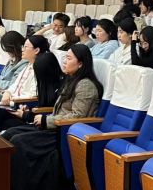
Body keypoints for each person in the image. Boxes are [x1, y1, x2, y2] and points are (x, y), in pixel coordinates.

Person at [6, 44, 103, 190]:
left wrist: (46, 120)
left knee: (18, 142)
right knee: (10, 133)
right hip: (56, 126)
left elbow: (79, 116)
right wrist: (39, 116)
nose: (64, 61)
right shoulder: (72, 80)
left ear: (80, 64)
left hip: (64, 133)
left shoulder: (86, 85)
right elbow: (60, 110)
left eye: (69, 58)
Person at [0, 52, 66, 133]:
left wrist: (26, 114)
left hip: (40, 121)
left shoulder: (61, 86)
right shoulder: (44, 82)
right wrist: (26, 109)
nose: (65, 61)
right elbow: (15, 86)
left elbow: (50, 111)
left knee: (9, 130)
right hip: (29, 114)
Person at [0, 36, 48, 114]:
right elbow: (15, 85)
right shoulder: (28, 66)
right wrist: (8, 92)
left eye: (25, 47)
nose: (22, 49)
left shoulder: (39, 70)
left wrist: (11, 99)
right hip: (11, 98)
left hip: (19, 104)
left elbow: (33, 96)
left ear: (36, 50)